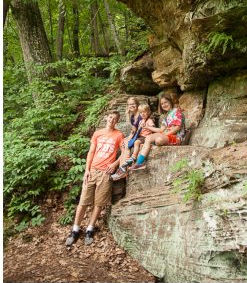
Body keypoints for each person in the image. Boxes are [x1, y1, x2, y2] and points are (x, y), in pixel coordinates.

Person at [65, 110, 126, 246]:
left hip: (106, 173)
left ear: (117, 121)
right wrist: (86, 170)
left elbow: (125, 152)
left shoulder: (119, 135)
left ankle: (90, 229)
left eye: (115, 118)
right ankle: (75, 229)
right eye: (110, 117)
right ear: (106, 118)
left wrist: (115, 164)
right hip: (92, 170)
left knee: (99, 203)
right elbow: (91, 152)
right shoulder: (97, 133)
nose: (112, 120)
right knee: (83, 201)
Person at [128, 92, 185, 171]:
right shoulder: (166, 115)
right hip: (166, 135)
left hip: (176, 137)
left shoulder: (177, 111)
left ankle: (156, 142)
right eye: (162, 104)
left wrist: (165, 134)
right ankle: (139, 163)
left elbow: (177, 127)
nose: (164, 105)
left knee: (159, 140)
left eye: (166, 102)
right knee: (148, 138)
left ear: (170, 102)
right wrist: (147, 127)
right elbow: (161, 130)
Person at [112, 102, 158, 180]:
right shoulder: (140, 121)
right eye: (141, 113)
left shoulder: (149, 120)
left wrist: (148, 128)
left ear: (148, 112)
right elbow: (136, 130)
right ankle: (122, 169)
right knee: (130, 143)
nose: (142, 114)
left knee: (136, 142)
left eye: (144, 112)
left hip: (146, 137)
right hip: (141, 136)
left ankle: (133, 157)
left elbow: (153, 129)